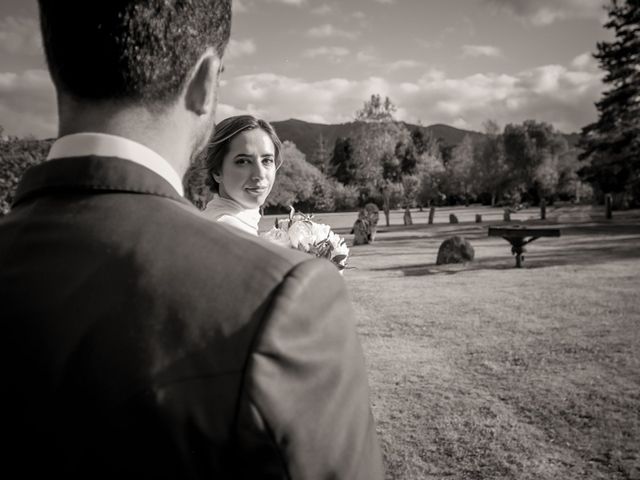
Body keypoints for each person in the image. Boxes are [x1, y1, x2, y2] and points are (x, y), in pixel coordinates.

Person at [0, 1, 384, 479]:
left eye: (267, 161)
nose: (257, 172)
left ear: (54, 65)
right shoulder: (286, 292)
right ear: (206, 81)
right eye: (243, 160)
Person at [201, 115, 282, 235]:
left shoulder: (214, 218)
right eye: (243, 161)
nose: (259, 174)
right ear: (217, 171)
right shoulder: (229, 229)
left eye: (267, 160)